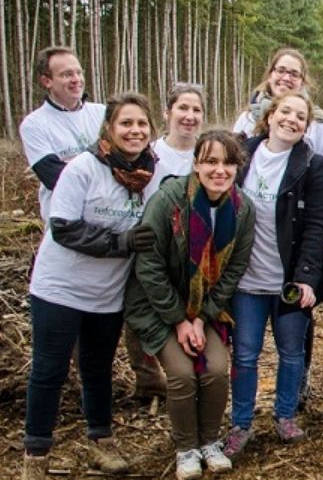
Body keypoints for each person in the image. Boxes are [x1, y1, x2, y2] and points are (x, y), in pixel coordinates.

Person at [22, 92, 162, 479]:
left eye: (141, 124)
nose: (134, 131)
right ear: (109, 129)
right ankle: (36, 455)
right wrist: (121, 244)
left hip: (107, 294)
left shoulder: (151, 174)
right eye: (126, 123)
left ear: (151, 131)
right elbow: (63, 227)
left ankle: (100, 442)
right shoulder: (84, 167)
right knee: (49, 371)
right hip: (60, 289)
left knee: (97, 369)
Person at [125, 130, 255, 480]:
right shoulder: (169, 201)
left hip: (205, 308)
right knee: (182, 374)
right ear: (196, 164)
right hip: (158, 305)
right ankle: (186, 449)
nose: (219, 170)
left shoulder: (243, 210)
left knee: (214, 370)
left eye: (228, 163)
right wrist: (180, 320)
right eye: (211, 161)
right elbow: (148, 265)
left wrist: (201, 319)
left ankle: (209, 442)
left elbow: (233, 272)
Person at [222, 93, 323, 456]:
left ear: (306, 127)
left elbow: (317, 226)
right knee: (244, 354)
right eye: (285, 111)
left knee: (291, 352)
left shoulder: (311, 165)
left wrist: (307, 278)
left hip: (288, 279)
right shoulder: (241, 155)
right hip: (246, 280)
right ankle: (240, 424)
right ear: (270, 116)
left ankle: (285, 416)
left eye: (301, 116)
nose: (292, 120)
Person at [124, 83, 206, 405]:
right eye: (182, 108)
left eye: (196, 110)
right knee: (140, 314)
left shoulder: (206, 154)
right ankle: (148, 381)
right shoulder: (149, 154)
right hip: (149, 248)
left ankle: (186, 376)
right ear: (167, 112)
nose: (189, 116)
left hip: (192, 255)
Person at [20, 46, 107, 224]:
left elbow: (126, 163)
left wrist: (73, 166)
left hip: (109, 218)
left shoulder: (104, 113)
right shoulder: (34, 124)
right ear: (47, 81)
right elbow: (54, 177)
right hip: (66, 222)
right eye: (67, 74)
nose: (76, 80)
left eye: (78, 73)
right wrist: (104, 169)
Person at [232, 48, 323, 158]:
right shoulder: (248, 119)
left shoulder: (318, 125)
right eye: (281, 71)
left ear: (302, 82)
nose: (286, 78)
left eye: (294, 74)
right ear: (270, 75)